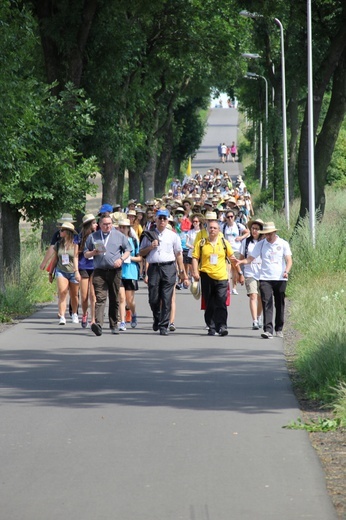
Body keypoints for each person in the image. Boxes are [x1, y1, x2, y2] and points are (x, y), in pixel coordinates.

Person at [236, 221, 293, 339]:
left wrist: (286, 271)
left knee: (280, 303)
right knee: (267, 302)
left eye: (269, 234)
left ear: (275, 232)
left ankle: (279, 328)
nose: (267, 236)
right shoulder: (261, 244)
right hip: (265, 278)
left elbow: (288, 260)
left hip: (280, 278)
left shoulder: (283, 243)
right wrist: (242, 262)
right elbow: (251, 258)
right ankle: (268, 330)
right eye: (266, 234)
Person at [139, 208, 189, 335]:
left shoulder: (173, 235)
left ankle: (164, 325)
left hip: (169, 267)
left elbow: (178, 254)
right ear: (155, 220)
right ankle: (157, 317)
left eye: (164, 218)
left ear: (168, 220)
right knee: (153, 298)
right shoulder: (148, 234)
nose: (162, 220)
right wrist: (151, 246)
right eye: (160, 218)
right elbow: (141, 252)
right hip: (154, 268)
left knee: (167, 298)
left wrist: (182, 270)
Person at [84, 212, 132, 336]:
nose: (107, 226)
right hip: (99, 271)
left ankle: (114, 324)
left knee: (114, 298)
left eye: (109, 224)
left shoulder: (119, 235)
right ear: (100, 224)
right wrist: (93, 252)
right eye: (105, 224)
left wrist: (121, 259)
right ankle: (98, 324)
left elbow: (128, 250)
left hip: (115, 271)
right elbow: (85, 253)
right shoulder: (93, 237)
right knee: (100, 298)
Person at [191, 219, 241, 336]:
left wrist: (239, 272)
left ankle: (222, 326)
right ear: (207, 229)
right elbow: (195, 257)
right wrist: (195, 272)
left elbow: (232, 257)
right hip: (206, 275)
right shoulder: (202, 243)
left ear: (219, 230)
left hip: (222, 276)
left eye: (215, 228)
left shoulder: (224, 243)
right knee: (209, 302)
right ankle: (211, 326)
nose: (212, 229)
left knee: (221, 301)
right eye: (210, 228)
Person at [49, 221, 80, 325]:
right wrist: (50, 273)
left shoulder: (75, 245)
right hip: (61, 271)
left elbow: (76, 258)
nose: (60, 231)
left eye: (62, 230)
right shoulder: (58, 244)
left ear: (68, 232)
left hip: (72, 272)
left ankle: (74, 313)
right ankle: (62, 316)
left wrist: (77, 272)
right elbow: (55, 258)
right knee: (62, 292)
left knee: (74, 295)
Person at [239, 219, 264, 330]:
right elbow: (241, 258)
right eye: (253, 228)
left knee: (261, 297)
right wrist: (240, 273)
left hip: (263, 272)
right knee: (253, 295)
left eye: (257, 229)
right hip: (250, 271)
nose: (254, 231)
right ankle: (254, 320)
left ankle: (259, 317)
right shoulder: (246, 242)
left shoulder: (264, 242)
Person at [117, 218, 141, 330]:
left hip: (131, 272)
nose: (122, 229)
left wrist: (129, 257)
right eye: (120, 227)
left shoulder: (133, 241)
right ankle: (122, 321)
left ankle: (133, 313)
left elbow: (140, 258)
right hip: (119, 272)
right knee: (121, 298)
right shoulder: (115, 241)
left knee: (129, 300)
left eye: (124, 227)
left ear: (128, 228)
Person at [76, 213, 97, 328]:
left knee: (93, 295)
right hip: (83, 266)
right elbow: (76, 254)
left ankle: (93, 319)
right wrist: (75, 270)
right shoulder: (80, 237)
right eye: (94, 223)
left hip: (95, 267)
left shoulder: (98, 236)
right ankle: (84, 313)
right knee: (84, 295)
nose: (96, 225)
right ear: (89, 225)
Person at [222, 210, 249, 294]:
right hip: (226, 250)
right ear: (225, 218)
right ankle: (228, 288)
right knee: (227, 269)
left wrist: (241, 238)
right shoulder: (223, 226)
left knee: (235, 269)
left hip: (236, 249)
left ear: (234, 217)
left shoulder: (238, 225)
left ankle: (234, 287)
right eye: (228, 217)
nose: (230, 218)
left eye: (231, 216)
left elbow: (247, 232)